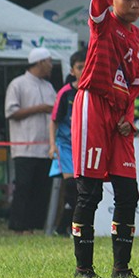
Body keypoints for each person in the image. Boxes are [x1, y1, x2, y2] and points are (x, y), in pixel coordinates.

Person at [69, 0, 139, 278]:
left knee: (128, 193)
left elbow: (135, 84)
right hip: (93, 104)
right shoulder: (102, 23)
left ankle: (121, 269)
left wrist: (128, 117)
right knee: (89, 193)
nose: (135, 4)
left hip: (121, 116)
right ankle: (83, 270)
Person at [5, 47, 57, 233]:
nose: (51, 66)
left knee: (41, 188)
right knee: (24, 186)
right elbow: (11, 112)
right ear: (40, 62)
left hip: (45, 147)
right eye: (49, 62)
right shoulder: (17, 84)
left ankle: (35, 225)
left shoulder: (48, 87)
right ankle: (18, 225)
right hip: (24, 146)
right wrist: (39, 108)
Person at [48, 50, 85, 236]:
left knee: (85, 189)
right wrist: (52, 145)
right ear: (72, 71)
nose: (84, 70)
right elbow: (54, 120)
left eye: (87, 66)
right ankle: (69, 227)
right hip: (67, 146)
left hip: (86, 146)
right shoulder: (65, 93)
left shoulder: (95, 92)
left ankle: (64, 227)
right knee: (71, 186)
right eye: (79, 67)